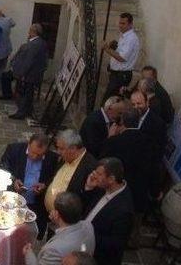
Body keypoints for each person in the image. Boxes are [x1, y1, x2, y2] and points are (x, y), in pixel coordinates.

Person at [99, 107, 154, 246]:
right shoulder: (148, 141)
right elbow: (154, 166)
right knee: (135, 220)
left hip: (117, 188)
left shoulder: (115, 141)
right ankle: (132, 242)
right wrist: (155, 188)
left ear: (122, 122)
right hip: (140, 189)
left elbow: (102, 161)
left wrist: (109, 138)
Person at [0, 134, 59, 238]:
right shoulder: (14, 149)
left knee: (32, 236)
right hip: (13, 202)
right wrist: (13, 180)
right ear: (29, 143)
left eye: (39, 155)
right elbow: (2, 168)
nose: (35, 157)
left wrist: (45, 185)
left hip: (37, 205)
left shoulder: (53, 158)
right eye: (33, 152)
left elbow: (55, 178)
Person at [82, 158, 134, 265]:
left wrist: (86, 235)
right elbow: (86, 208)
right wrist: (89, 188)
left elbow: (116, 243)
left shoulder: (124, 210)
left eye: (99, 174)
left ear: (111, 179)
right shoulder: (102, 186)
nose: (94, 175)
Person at [24, 192, 95, 265]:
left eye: (53, 209)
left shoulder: (53, 250)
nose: (51, 211)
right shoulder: (88, 225)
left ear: (57, 214)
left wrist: (28, 254)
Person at [44, 130, 97, 213]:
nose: (58, 152)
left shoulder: (90, 168)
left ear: (73, 148)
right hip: (47, 213)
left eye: (61, 148)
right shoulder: (66, 157)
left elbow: (85, 200)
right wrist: (45, 185)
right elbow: (57, 177)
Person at [8, 23, 48, 119]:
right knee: (29, 94)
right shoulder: (42, 43)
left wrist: (21, 74)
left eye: (30, 30)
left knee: (25, 94)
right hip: (36, 73)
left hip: (30, 74)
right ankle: (28, 110)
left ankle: (21, 113)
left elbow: (28, 61)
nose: (28, 32)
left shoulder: (33, 45)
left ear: (34, 32)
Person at [101, 13, 140, 100]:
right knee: (112, 101)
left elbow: (122, 58)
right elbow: (120, 53)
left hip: (121, 76)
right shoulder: (124, 36)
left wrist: (107, 49)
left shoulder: (131, 38)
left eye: (123, 23)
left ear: (130, 24)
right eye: (120, 23)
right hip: (116, 74)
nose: (120, 26)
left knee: (108, 101)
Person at [0, 7, 15, 91]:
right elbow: (13, 23)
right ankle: (0, 85)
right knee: (2, 67)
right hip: (6, 49)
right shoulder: (8, 20)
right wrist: (3, 16)